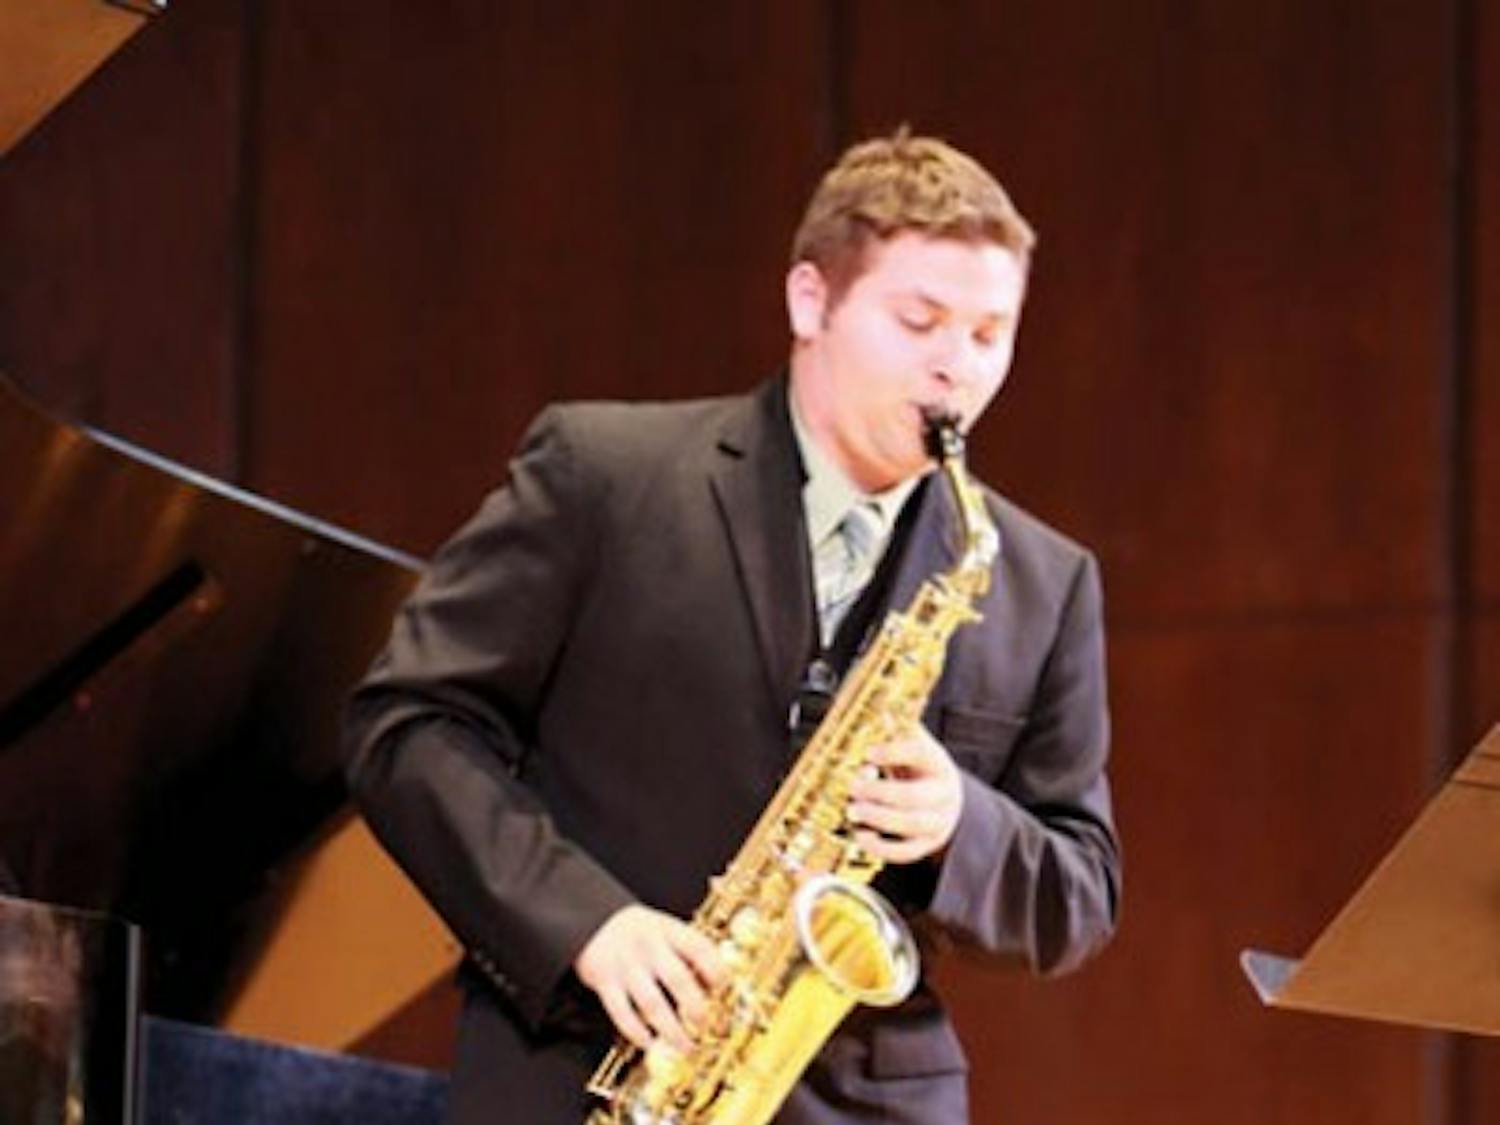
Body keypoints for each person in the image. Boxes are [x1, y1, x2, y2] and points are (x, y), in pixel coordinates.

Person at [344, 128, 1121, 1125]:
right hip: (592, 1074)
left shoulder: (1042, 581)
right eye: (919, 320)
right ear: (811, 301)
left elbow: (1081, 894)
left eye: (988, 334)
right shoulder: (602, 475)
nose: (956, 371)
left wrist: (959, 825)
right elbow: (407, 728)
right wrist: (590, 925)